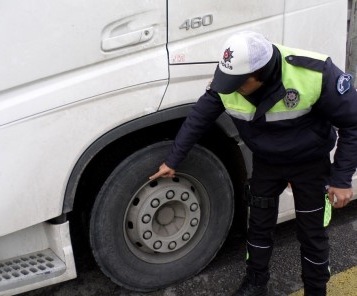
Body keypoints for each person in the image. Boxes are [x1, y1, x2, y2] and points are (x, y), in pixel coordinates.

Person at [149, 31, 357, 296]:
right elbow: (199, 117)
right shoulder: (231, 78)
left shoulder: (313, 72)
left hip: (309, 163)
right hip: (266, 162)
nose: (229, 89)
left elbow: (353, 122)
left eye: (238, 83)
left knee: (311, 233)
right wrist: (173, 159)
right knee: (258, 226)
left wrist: (340, 179)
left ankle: (316, 289)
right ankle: (256, 282)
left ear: (261, 73)